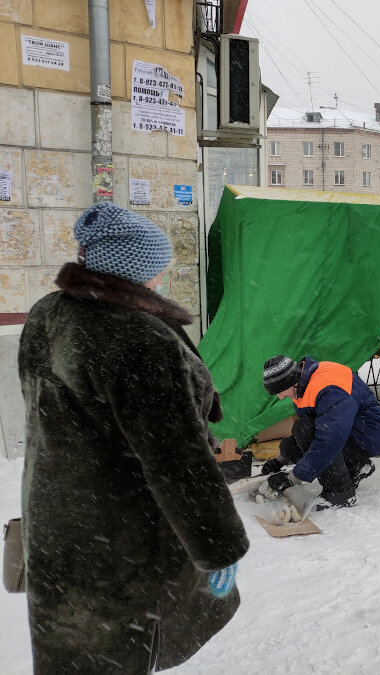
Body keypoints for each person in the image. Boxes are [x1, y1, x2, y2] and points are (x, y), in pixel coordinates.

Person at [18, 203, 249, 673]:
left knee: (80, 649)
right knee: (119, 648)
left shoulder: (50, 313)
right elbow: (177, 460)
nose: (164, 273)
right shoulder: (137, 338)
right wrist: (218, 546)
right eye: (158, 264)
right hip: (122, 538)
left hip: (61, 520)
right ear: (133, 270)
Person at [259, 355, 380, 509]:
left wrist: (290, 479)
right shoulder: (304, 383)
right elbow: (312, 430)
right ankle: (354, 467)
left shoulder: (330, 389)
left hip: (366, 435)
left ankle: (341, 493)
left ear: (290, 381)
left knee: (307, 432)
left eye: (280, 391)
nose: (280, 397)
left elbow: (328, 441)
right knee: (302, 433)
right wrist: (280, 460)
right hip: (352, 431)